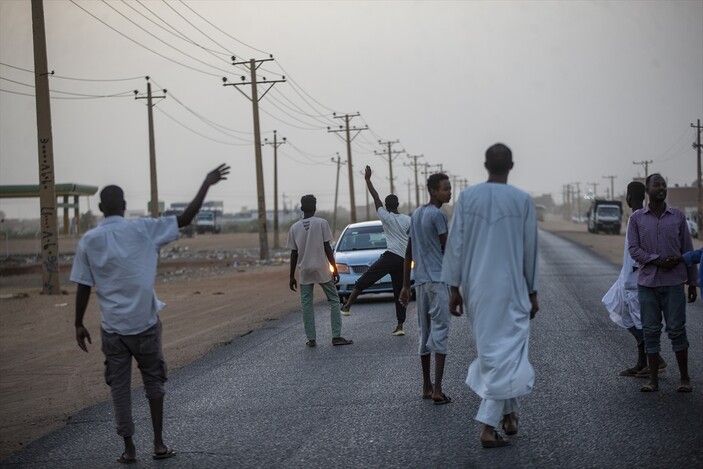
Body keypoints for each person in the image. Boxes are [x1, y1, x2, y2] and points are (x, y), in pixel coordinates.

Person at [71, 164, 230, 464]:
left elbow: (82, 286)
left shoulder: (89, 241)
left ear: (102, 208)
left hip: (113, 329)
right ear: (125, 206)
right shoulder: (143, 228)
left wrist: (78, 323)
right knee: (153, 383)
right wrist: (206, 183)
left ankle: (129, 449)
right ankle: (158, 443)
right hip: (144, 323)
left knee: (119, 389)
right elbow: (184, 219)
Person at [441, 143, 538, 448]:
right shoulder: (522, 200)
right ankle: (487, 425)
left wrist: (454, 289)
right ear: (511, 166)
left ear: (485, 165)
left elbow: (455, 245)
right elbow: (529, 250)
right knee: (506, 354)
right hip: (512, 289)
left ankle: (509, 415)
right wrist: (532, 291)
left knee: (495, 353)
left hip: (477, 290)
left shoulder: (469, 198)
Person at [628, 173, 697, 393]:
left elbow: (688, 250)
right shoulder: (637, 219)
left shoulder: (677, 217)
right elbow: (634, 249)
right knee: (650, 331)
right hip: (647, 284)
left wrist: (693, 282)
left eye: (664, 185)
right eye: (656, 185)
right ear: (647, 190)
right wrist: (657, 261)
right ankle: (653, 380)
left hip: (674, 283)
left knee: (677, 330)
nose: (661, 188)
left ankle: (684, 378)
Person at [601, 181, 666, 377]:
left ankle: (656, 361)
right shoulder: (635, 218)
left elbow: (641, 251)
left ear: (629, 198)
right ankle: (641, 362)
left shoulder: (641, 218)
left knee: (639, 321)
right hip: (626, 277)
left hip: (636, 279)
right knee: (616, 306)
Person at [399, 172, 452, 405]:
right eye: (445, 189)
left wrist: (405, 285)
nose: (449, 192)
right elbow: (448, 248)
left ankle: (426, 386)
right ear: (433, 191)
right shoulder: (438, 215)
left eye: (449, 188)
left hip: (420, 282)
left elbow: (408, 251)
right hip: (438, 281)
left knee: (425, 333)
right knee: (440, 332)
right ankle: (438, 389)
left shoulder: (417, 214)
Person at [341, 165, 411, 336]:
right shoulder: (408, 219)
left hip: (391, 256)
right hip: (403, 260)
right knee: (398, 292)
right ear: (398, 205)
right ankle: (400, 326)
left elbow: (375, 197)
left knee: (367, 277)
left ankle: (348, 306)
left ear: (386, 206)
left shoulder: (385, 216)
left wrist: (367, 179)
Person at [288, 194, 353, 347]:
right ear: (315, 207)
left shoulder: (294, 227)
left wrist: (291, 276)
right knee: (334, 300)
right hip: (322, 267)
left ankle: (311, 339)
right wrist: (335, 268)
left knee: (307, 305)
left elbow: (293, 253)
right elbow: (327, 248)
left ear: (302, 208)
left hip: (304, 269)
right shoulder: (322, 223)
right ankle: (336, 336)